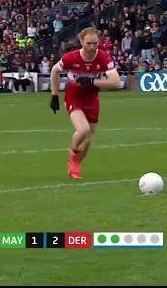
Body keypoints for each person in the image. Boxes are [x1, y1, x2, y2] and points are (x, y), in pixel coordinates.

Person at [49, 26, 121, 179]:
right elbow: (55, 71)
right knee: (83, 130)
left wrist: (91, 81)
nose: (92, 47)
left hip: (92, 98)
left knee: (88, 139)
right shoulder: (71, 58)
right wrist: (54, 95)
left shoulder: (103, 57)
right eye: (88, 43)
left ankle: (75, 165)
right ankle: (73, 154)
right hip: (74, 97)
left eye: (95, 43)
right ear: (81, 41)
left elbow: (115, 82)